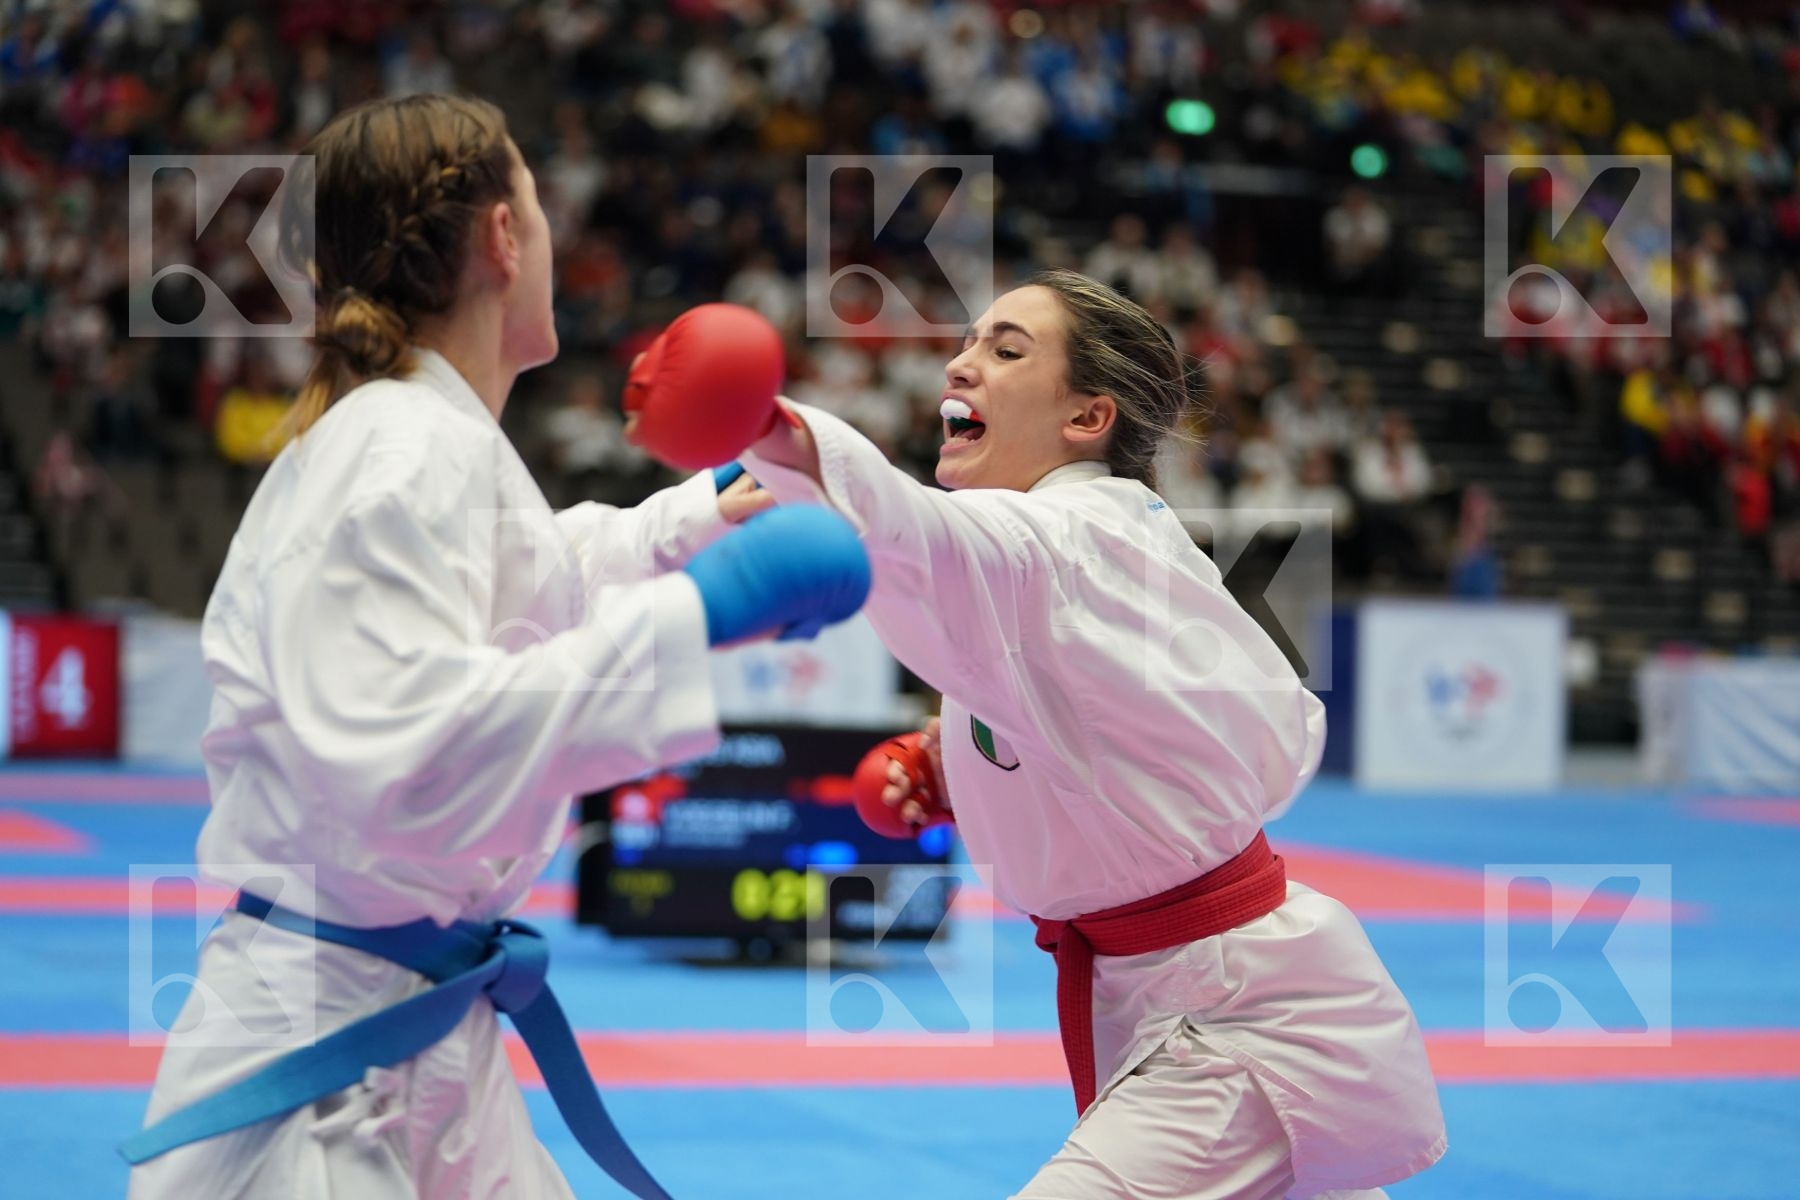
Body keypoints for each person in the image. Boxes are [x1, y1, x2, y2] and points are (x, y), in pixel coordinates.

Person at [124, 94, 868, 1200]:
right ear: (505, 236)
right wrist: (700, 612)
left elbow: (528, 588)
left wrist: (701, 520)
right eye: (539, 205)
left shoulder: (428, 442)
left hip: (422, 1029)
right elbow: (410, 752)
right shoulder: (397, 452)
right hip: (320, 1077)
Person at [730, 269, 1446, 1199]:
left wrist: (768, 428)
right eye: (969, 341)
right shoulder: (1109, 541)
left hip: (1232, 1024)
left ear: (1086, 417)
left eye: (1005, 350)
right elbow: (1128, 736)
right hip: (1197, 998)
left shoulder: (1062, 540)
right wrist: (962, 767)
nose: (961, 364)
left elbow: (914, 532)